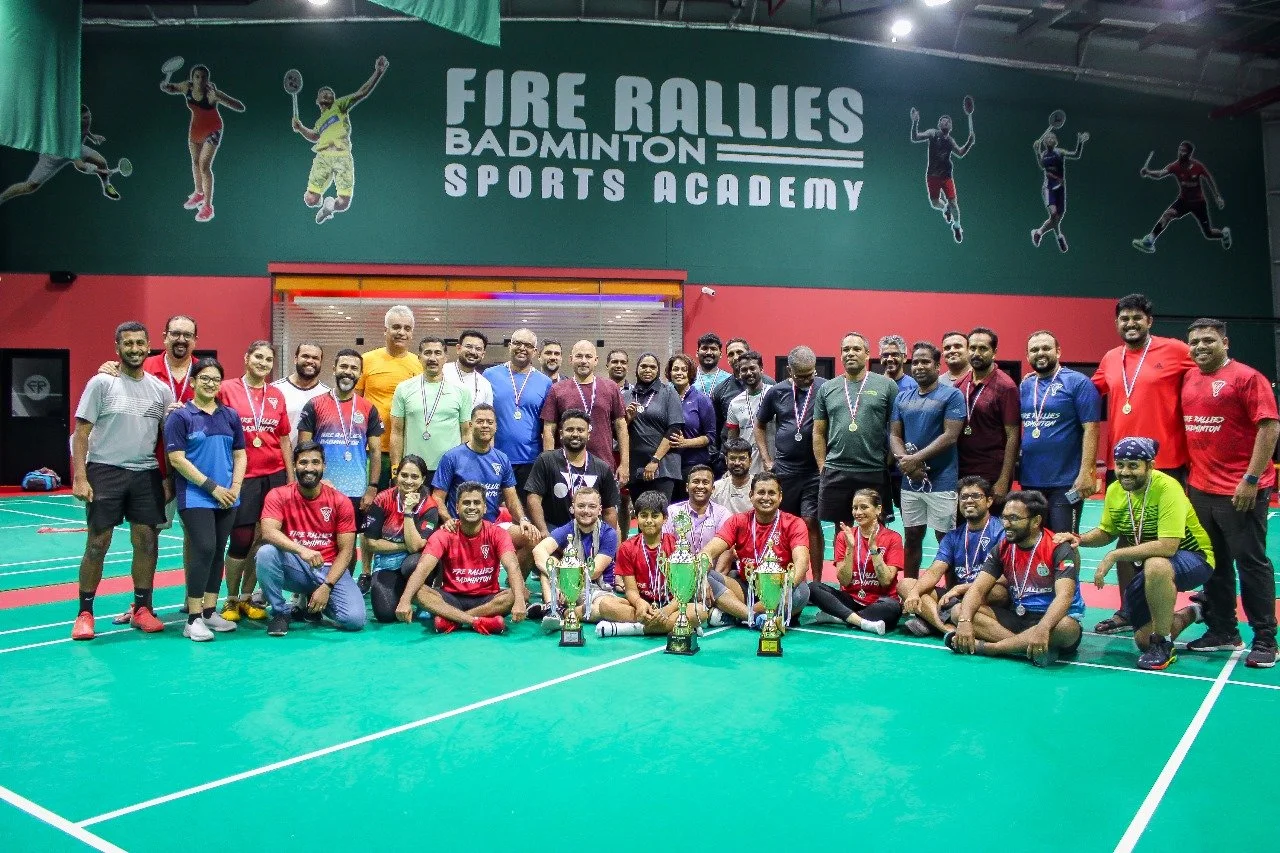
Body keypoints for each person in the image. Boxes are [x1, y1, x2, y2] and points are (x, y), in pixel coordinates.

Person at [1054, 438, 1213, 670]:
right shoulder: (1115, 490)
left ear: (1150, 465)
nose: (1125, 472)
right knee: (1143, 641)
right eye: (1120, 465)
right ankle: (1197, 610)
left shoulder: (1168, 488)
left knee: (1156, 563)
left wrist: (1113, 556)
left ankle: (1163, 643)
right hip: (1149, 566)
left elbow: (1168, 547)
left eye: (1133, 465)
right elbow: (1107, 532)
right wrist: (1079, 539)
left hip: (1194, 558)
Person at [1091, 293, 1195, 634]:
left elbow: (1205, 378)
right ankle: (1126, 611)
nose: (1131, 323)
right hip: (1122, 467)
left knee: (1162, 543)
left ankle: (1162, 612)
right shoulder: (1111, 358)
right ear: (1116, 323)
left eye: (1137, 318)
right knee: (1125, 539)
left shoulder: (1176, 350)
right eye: (1124, 318)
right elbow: (1088, 393)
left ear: (1149, 321)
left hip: (1165, 463)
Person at [1180, 318, 1279, 667]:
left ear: (1225, 343)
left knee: (1251, 564)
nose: (1200, 347)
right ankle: (1223, 630)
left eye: (1208, 340)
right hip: (1201, 489)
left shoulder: (1247, 378)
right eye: (1194, 342)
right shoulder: (1189, 379)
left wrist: (1250, 479)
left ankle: (1266, 639)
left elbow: (1269, 427)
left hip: (1240, 491)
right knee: (1215, 564)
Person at [70, 322, 174, 640]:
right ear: (117, 348)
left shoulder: (161, 390)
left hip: (145, 473)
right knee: (97, 543)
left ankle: (142, 608)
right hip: (104, 470)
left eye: (140, 343)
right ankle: (85, 614)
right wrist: (80, 476)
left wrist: (168, 478)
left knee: (147, 542)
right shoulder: (101, 383)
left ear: (148, 346)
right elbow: (81, 433)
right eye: (128, 343)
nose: (134, 349)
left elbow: (168, 438)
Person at [949, 490, 1085, 666]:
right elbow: (978, 588)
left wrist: (1043, 628)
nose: (1006, 524)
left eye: (1013, 518)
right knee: (958, 611)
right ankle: (1025, 647)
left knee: (1068, 627)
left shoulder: (1058, 547)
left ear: (1035, 521)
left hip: (1052, 620)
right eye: (1004, 517)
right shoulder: (1003, 547)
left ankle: (992, 648)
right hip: (1018, 616)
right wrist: (965, 621)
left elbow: (1064, 596)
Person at [164, 358, 245, 641]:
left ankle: (210, 611)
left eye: (215, 379)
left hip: (227, 496)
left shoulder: (230, 416)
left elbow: (240, 454)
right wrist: (212, 488)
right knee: (204, 548)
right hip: (196, 495)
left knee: (218, 550)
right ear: (194, 382)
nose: (210, 384)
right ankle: (193, 618)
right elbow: (177, 459)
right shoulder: (180, 417)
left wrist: (235, 487)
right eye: (205, 378)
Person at [217, 340, 293, 623]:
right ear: (246, 358)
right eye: (258, 357)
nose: (263, 363)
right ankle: (231, 598)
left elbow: (283, 439)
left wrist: (290, 477)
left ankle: (247, 597)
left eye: (268, 359)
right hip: (243, 476)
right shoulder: (226, 389)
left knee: (263, 538)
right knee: (241, 539)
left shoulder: (276, 395)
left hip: (274, 475)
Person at [297, 348, 384, 588]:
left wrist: (372, 488)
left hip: (355, 491)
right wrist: (315, 481)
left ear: (360, 373)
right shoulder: (315, 405)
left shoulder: (368, 408)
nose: (348, 372)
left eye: (354, 368)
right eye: (343, 366)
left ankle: (341, 588)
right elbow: (304, 448)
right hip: (320, 489)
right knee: (316, 541)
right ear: (334, 369)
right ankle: (305, 592)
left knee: (348, 544)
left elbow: (376, 451)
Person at [256, 442, 363, 636]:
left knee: (354, 620)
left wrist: (327, 587)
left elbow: (347, 551)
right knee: (266, 553)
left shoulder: (340, 501)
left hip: (329, 568)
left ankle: (314, 600)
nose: (309, 468)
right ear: (294, 466)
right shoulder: (278, 495)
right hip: (295, 565)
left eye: (315, 462)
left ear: (324, 466)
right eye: (303, 462)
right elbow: (269, 532)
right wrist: (302, 550)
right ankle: (280, 613)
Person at [395, 481, 529, 634]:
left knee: (521, 593)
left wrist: (519, 601)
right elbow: (422, 568)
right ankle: (477, 621)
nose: (471, 507)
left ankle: (452, 620)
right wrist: (404, 600)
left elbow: (512, 566)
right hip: (452, 598)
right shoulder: (443, 534)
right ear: (457, 508)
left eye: (476, 503)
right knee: (417, 592)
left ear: (485, 508)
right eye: (466, 503)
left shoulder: (498, 534)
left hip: (487, 598)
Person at [890, 342, 965, 577]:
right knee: (912, 536)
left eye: (925, 362)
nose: (919, 366)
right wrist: (906, 464)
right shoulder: (902, 398)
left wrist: (914, 460)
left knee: (945, 539)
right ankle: (909, 588)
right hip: (910, 481)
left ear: (937, 365)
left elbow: (950, 436)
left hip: (942, 480)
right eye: (915, 362)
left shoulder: (952, 395)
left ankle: (951, 592)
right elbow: (894, 435)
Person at [898, 476, 1006, 636]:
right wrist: (914, 592)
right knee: (906, 584)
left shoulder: (1001, 532)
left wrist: (961, 588)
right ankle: (947, 628)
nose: (969, 500)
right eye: (964, 497)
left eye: (976, 496)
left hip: (984, 594)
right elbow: (934, 572)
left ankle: (933, 619)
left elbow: (1005, 579)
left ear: (989, 501)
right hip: (957, 596)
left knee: (999, 591)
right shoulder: (953, 536)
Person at [431, 404, 540, 562]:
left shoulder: (502, 459)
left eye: (489, 422)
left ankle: (514, 577)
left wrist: (523, 519)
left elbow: (511, 499)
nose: (485, 425)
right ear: (470, 425)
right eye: (480, 421)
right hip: (461, 527)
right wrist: (448, 520)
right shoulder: (452, 457)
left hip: (492, 527)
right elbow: (437, 497)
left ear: (496, 426)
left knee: (532, 538)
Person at [700, 472, 812, 626]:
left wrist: (788, 587)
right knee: (704, 576)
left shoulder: (794, 523)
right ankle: (755, 618)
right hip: (746, 589)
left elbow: (802, 562)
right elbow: (707, 552)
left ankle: (735, 613)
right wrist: (702, 577)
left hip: (780, 590)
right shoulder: (738, 521)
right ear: (751, 496)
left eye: (771, 493)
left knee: (801, 592)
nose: (766, 497)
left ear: (780, 497)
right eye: (761, 492)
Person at [814, 332, 897, 529]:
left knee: (877, 529)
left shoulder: (887, 386)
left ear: (867, 354)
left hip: (873, 470)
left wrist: (888, 461)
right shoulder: (827, 388)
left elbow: (896, 428)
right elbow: (818, 432)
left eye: (856, 349)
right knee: (841, 530)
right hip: (836, 470)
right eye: (846, 349)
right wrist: (823, 467)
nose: (850, 353)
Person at [1019, 331, 1101, 533]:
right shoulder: (1026, 385)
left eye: (1046, 348)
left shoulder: (1078, 382)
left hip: (1066, 482)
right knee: (1034, 540)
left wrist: (1087, 473)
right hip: (1030, 480)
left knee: (1064, 540)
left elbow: (1091, 428)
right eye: (1034, 350)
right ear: (1027, 356)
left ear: (1058, 351)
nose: (1040, 353)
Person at [755, 345, 825, 580]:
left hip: (814, 470)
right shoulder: (776, 392)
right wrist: (767, 459)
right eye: (801, 376)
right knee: (786, 524)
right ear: (789, 371)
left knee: (810, 521)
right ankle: (791, 578)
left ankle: (817, 581)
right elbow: (759, 425)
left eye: (810, 374)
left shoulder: (824, 388)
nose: (806, 380)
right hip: (784, 470)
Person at [292, 56, 389, 224]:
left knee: (344, 204)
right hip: (323, 158)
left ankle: (329, 207)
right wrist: (300, 128)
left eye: (330, 93)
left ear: (333, 98)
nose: (327, 93)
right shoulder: (319, 122)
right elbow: (314, 136)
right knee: (310, 199)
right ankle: (320, 202)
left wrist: (378, 72)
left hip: (342, 156)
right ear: (318, 100)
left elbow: (362, 92)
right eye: (323, 93)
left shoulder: (339, 105)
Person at [597, 492, 708, 638]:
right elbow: (630, 590)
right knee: (605, 605)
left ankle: (633, 629)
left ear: (665, 518)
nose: (649, 520)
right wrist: (639, 603)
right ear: (636, 518)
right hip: (642, 606)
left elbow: (684, 592)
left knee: (699, 612)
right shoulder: (626, 547)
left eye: (655, 516)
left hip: (672, 605)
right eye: (644, 515)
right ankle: (674, 625)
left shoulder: (677, 546)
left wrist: (667, 610)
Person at [808, 489, 905, 634]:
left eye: (864, 507)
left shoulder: (893, 538)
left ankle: (840, 616)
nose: (858, 512)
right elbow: (844, 580)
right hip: (851, 600)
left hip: (880, 601)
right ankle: (860, 621)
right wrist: (850, 549)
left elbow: (885, 581)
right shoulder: (844, 536)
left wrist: (874, 550)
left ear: (878, 509)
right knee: (813, 588)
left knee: (892, 608)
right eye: (855, 508)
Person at [160, 63, 245, 222]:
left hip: (213, 129)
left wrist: (220, 97)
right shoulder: (186, 87)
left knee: (204, 166)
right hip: (196, 129)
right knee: (195, 161)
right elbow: (172, 88)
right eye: (197, 77)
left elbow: (240, 107)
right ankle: (199, 193)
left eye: (203, 77)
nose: (200, 80)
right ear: (192, 78)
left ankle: (207, 206)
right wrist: (166, 87)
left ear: (207, 80)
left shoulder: (212, 94)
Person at [531, 486, 622, 632]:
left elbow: (594, 572)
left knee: (602, 609)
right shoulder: (568, 528)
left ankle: (564, 612)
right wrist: (557, 578)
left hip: (597, 588)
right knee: (550, 562)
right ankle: (551, 609)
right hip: (567, 587)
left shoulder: (608, 534)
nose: (586, 510)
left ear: (599, 510)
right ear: (572, 508)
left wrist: (565, 581)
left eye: (592, 506)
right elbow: (539, 550)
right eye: (581, 506)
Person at [363, 455, 439, 623]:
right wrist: (403, 546)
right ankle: (401, 591)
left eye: (414, 476)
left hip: (415, 562)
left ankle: (422, 597)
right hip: (387, 563)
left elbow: (415, 548)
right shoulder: (382, 500)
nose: (408, 481)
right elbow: (371, 543)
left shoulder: (430, 506)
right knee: (385, 615)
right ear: (397, 475)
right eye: (404, 475)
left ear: (423, 479)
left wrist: (408, 511)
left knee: (412, 564)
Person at [0, 104, 123, 206]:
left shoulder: (82, 124)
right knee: (30, 186)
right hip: (52, 157)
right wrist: (100, 171)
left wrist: (92, 136)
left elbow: (85, 130)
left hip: (76, 147)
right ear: (77, 120)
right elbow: (81, 166)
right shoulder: (68, 137)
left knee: (102, 161)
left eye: (89, 116)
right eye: (85, 118)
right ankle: (2, 197)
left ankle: (106, 187)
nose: (89, 120)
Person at [526, 409, 621, 540]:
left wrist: (604, 540)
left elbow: (609, 510)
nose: (575, 434)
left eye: (580, 430)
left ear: (588, 434)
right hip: (553, 532)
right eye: (570, 430)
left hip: (590, 533)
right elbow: (533, 498)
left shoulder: (602, 468)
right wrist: (543, 532)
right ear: (561, 433)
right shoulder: (546, 460)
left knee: (617, 533)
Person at [540, 340, 628, 480]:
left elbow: (621, 426)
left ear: (596, 360)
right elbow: (549, 429)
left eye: (588, 356)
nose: (583, 361)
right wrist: (549, 465)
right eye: (579, 356)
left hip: (603, 464)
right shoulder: (557, 389)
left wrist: (624, 464)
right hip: (565, 467)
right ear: (571, 359)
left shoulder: (611, 387)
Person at [390, 336, 472, 482]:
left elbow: (466, 433)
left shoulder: (462, 391)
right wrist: (395, 470)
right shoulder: (403, 388)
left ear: (446, 358)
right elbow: (396, 432)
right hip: (412, 471)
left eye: (437, 353)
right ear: (419, 357)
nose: (432, 358)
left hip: (449, 469)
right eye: (427, 353)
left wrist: (464, 468)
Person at [358, 305, 422, 490]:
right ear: (385, 330)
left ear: (412, 333)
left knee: (403, 502)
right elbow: (354, 405)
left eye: (407, 328)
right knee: (370, 499)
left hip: (407, 450)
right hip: (371, 449)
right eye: (396, 327)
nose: (401, 332)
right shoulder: (366, 360)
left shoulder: (420, 364)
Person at [484, 328, 554, 495]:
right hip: (494, 457)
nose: (522, 348)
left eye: (528, 345)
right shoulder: (489, 375)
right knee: (494, 508)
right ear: (510, 346)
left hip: (530, 460)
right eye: (517, 343)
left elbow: (548, 427)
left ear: (535, 351)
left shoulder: (545, 383)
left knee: (525, 508)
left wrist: (548, 462)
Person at [1132, 141, 1232, 254]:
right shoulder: (1175, 166)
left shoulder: (1197, 166)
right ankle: (1150, 241)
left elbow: (1209, 179)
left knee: (1208, 234)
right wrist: (1148, 172)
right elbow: (1160, 174)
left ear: (1189, 154)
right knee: (1167, 215)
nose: (1180, 153)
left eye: (1184, 151)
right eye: (1180, 150)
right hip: (1183, 202)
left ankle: (1223, 234)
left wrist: (1217, 197)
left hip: (1198, 203)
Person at [956, 327, 1020, 504]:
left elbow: (1013, 436)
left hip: (991, 473)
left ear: (994, 352)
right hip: (961, 471)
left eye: (983, 348)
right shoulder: (960, 384)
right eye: (972, 348)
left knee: (990, 521)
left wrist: (1004, 480)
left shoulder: (1006, 387)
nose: (976, 353)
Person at [623, 352, 684, 502]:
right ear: (636, 369)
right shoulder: (626, 396)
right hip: (635, 466)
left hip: (663, 466)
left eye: (652, 367)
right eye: (643, 366)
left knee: (660, 512)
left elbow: (674, 429)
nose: (648, 370)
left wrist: (655, 460)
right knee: (640, 513)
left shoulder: (669, 392)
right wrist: (628, 419)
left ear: (658, 370)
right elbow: (618, 432)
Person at [908, 106, 974, 243]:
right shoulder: (933, 133)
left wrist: (969, 143)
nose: (945, 122)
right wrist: (915, 122)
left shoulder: (950, 141)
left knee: (953, 203)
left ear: (950, 127)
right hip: (932, 175)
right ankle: (945, 209)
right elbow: (915, 137)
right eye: (942, 120)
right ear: (939, 124)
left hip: (946, 176)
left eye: (947, 121)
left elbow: (960, 153)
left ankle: (957, 226)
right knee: (934, 203)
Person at [1030, 128, 1089, 253]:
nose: (1050, 139)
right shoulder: (1043, 154)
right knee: (1053, 214)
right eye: (1047, 138)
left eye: (1052, 137)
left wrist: (1080, 143)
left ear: (1056, 141)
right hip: (1048, 188)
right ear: (1044, 141)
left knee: (1057, 218)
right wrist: (1036, 151)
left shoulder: (1060, 152)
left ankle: (1047, 233)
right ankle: (1049, 236)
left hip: (1060, 188)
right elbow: (1042, 166)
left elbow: (1076, 155)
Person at [667, 354, 716, 500]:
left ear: (691, 373)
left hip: (693, 466)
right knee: (671, 508)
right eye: (676, 369)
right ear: (670, 373)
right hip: (668, 466)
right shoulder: (664, 397)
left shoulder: (702, 400)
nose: (679, 373)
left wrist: (685, 443)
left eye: (684, 369)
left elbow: (711, 436)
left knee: (690, 507)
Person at [664, 465, 732, 563]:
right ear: (687, 487)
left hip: (711, 571)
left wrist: (716, 573)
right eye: (695, 482)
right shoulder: (672, 511)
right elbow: (664, 544)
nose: (700, 486)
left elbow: (726, 549)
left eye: (705, 482)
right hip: (678, 569)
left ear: (713, 488)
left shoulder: (722, 514)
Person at [724, 351, 774, 474]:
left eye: (752, 368)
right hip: (748, 464)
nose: (749, 373)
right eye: (744, 370)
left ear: (761, 369)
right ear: (739, 373)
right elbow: (732, 440)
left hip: (775, 460)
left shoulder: (775, 394)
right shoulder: (735, 403)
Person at [272, 342, 329, 448]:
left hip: (312, 457)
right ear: (295, 359)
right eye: (305, 356)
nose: (310, 361)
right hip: (280, 456)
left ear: (321, 362)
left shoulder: (328, 395)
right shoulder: (275, 390)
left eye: (315, 358)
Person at [444, 328, 494, 408]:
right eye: (469, 346)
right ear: (458, 349)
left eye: (478, 349)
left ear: (483, 354)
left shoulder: (485, 384)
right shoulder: (442, 372)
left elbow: (487, 413)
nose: (473, 352)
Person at [711, 438, 754, 513]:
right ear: (726, 460)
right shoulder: (716, 488)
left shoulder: (759, 487)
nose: (737, 463)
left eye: (742, 459)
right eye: (732, 458)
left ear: (750, 461)